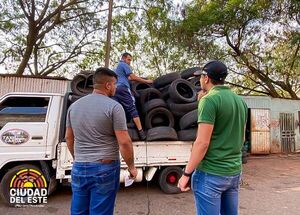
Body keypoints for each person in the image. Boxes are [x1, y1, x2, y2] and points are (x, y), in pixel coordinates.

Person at [178, 60, 248, 215]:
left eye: (201, 76)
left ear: (207, 78)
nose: (200, 80)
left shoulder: (209, 100)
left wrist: (186, 174)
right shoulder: (240, 102)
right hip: (234, 172)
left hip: (211, 174)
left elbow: (202, 143)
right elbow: (242, 138)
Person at [65, 67, 137, 215]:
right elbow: (124, 142)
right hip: (104, 169)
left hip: (79, 167)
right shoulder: (114, 107)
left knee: (78, 212)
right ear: (108, 85)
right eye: (115, 84)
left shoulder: (74, 107)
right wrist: (131, 167)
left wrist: (78, 158)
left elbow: (69, 138)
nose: (116, 87)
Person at [113, 52, 153, 140]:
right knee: (132, 107)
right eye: (128, 59)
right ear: (123, 58)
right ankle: (141, 132)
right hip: (123, 88)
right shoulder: (124, 65)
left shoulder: (116, 68)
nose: (129, 62)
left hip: (115, 90)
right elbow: (133, 77)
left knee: (118, 109)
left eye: (130, 60)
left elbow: (129, 78)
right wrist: (147, 81)